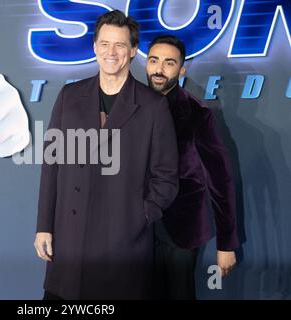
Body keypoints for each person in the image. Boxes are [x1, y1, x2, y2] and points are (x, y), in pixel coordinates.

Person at [34, 10, 179, 300]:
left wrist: (138, 216)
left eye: (120, 45)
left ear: (133, 50)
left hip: (123, 248)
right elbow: (52, 166)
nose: (111, 52)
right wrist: (44, 226)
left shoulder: (153, 106)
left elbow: (167, 177)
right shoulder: (69, 97)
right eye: (104, 44)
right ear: (94, 47)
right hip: (70, 241)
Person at [145, 35, 239, 300]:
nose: (159, 69)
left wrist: (226, 243)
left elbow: (220, 181)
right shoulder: (128, 107)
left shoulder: (197, 113)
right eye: (154, 60)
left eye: (169, 63)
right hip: (135, 229)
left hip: (181, 229)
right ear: (146, 64)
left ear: (181, 69)